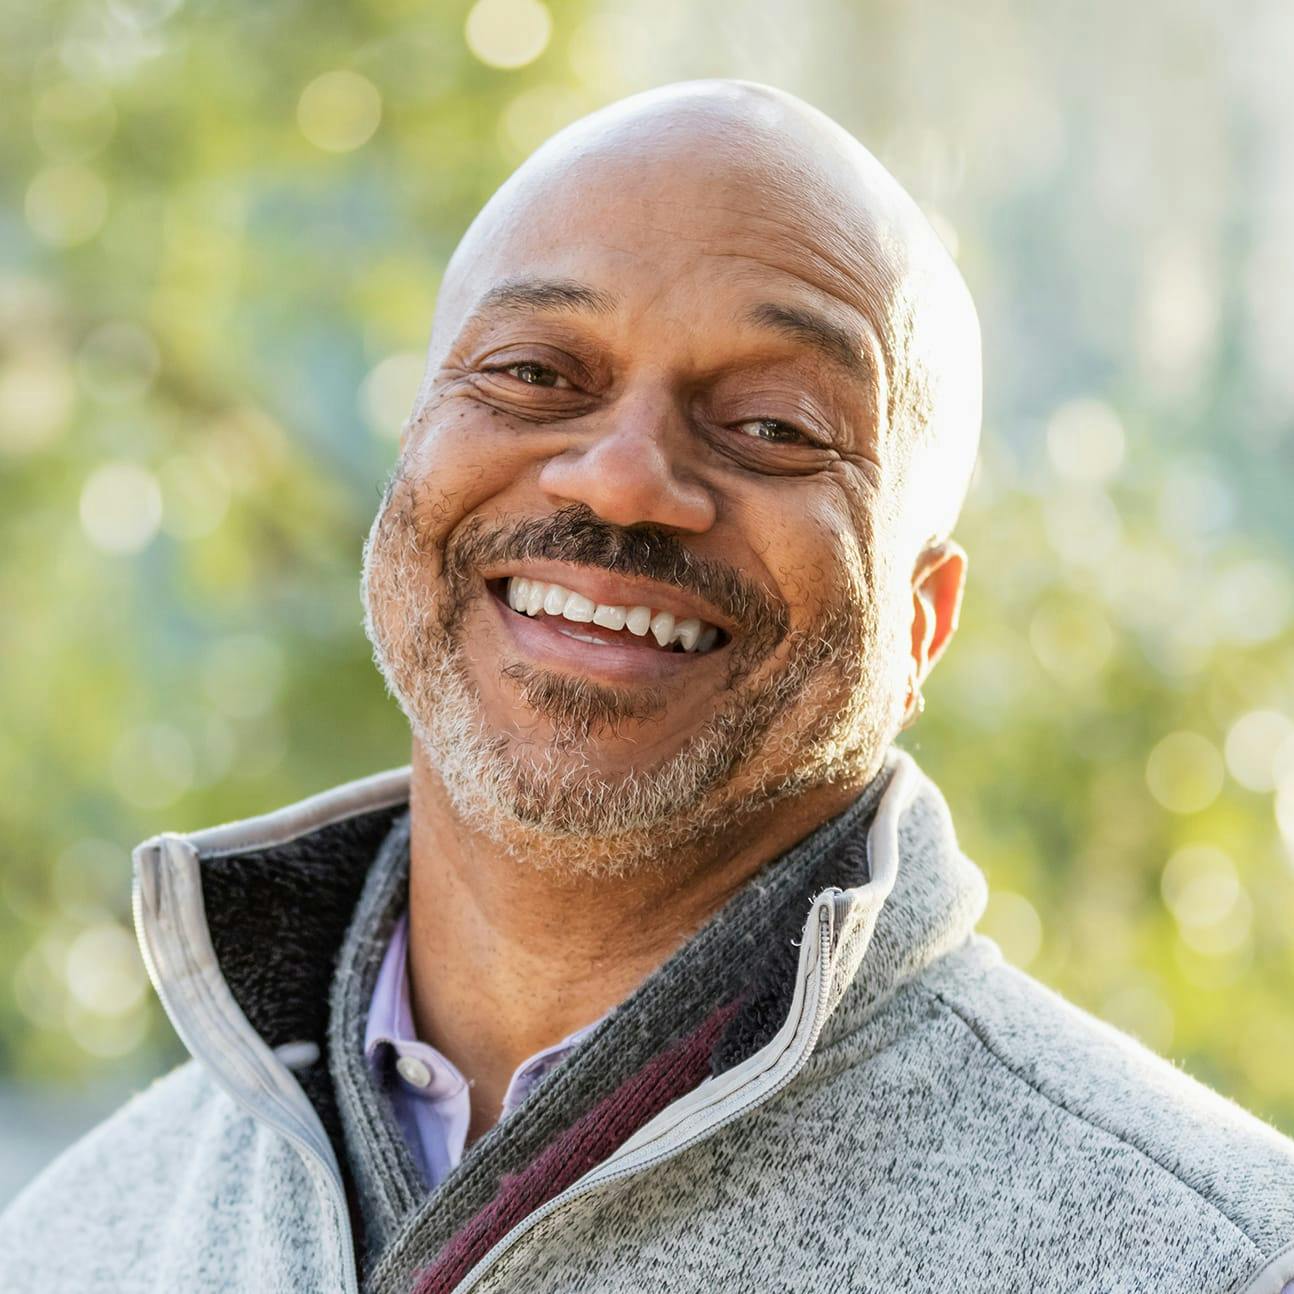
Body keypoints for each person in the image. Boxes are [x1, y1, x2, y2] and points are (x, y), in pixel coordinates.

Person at [3, 79, 1292, 1294]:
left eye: (777, 426)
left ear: (921, 625)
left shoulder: (1214, 1259)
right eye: (535, 375)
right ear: (410, 467)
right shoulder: (82, 1239)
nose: (619, 478)